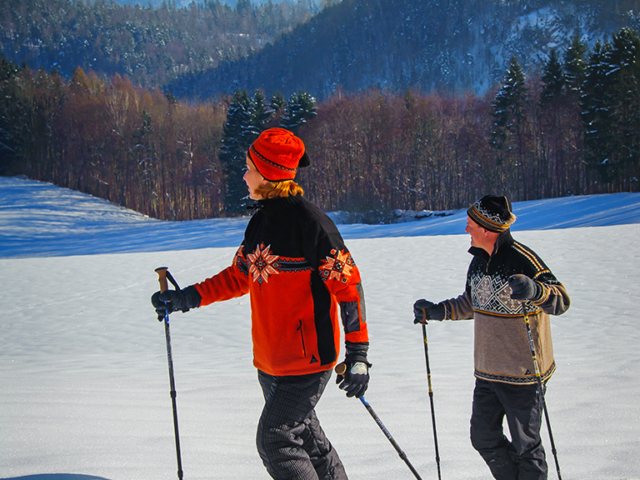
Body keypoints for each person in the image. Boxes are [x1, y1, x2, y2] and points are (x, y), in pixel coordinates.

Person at [151, 128, 370, 480]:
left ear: (268, 174)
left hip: (307, 361)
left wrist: (358, 356)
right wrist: (185, 297)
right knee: (307, 441)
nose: (243, 174)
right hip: (270, 360)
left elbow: (349, 289)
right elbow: (240, 276)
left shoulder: (311, 224)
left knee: (275, 439)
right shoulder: (260, 222)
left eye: (248, 167)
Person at [413, 194, 570, 480]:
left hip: (524, 374)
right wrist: (437, 311)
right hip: (487, 372)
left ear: (487, 229)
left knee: (526, 447)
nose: (466, 230)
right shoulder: (478, 262)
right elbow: (472, 303)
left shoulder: (523, 260)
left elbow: (561, 300)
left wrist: (535, 290)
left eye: (470, 224)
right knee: (483, 437)